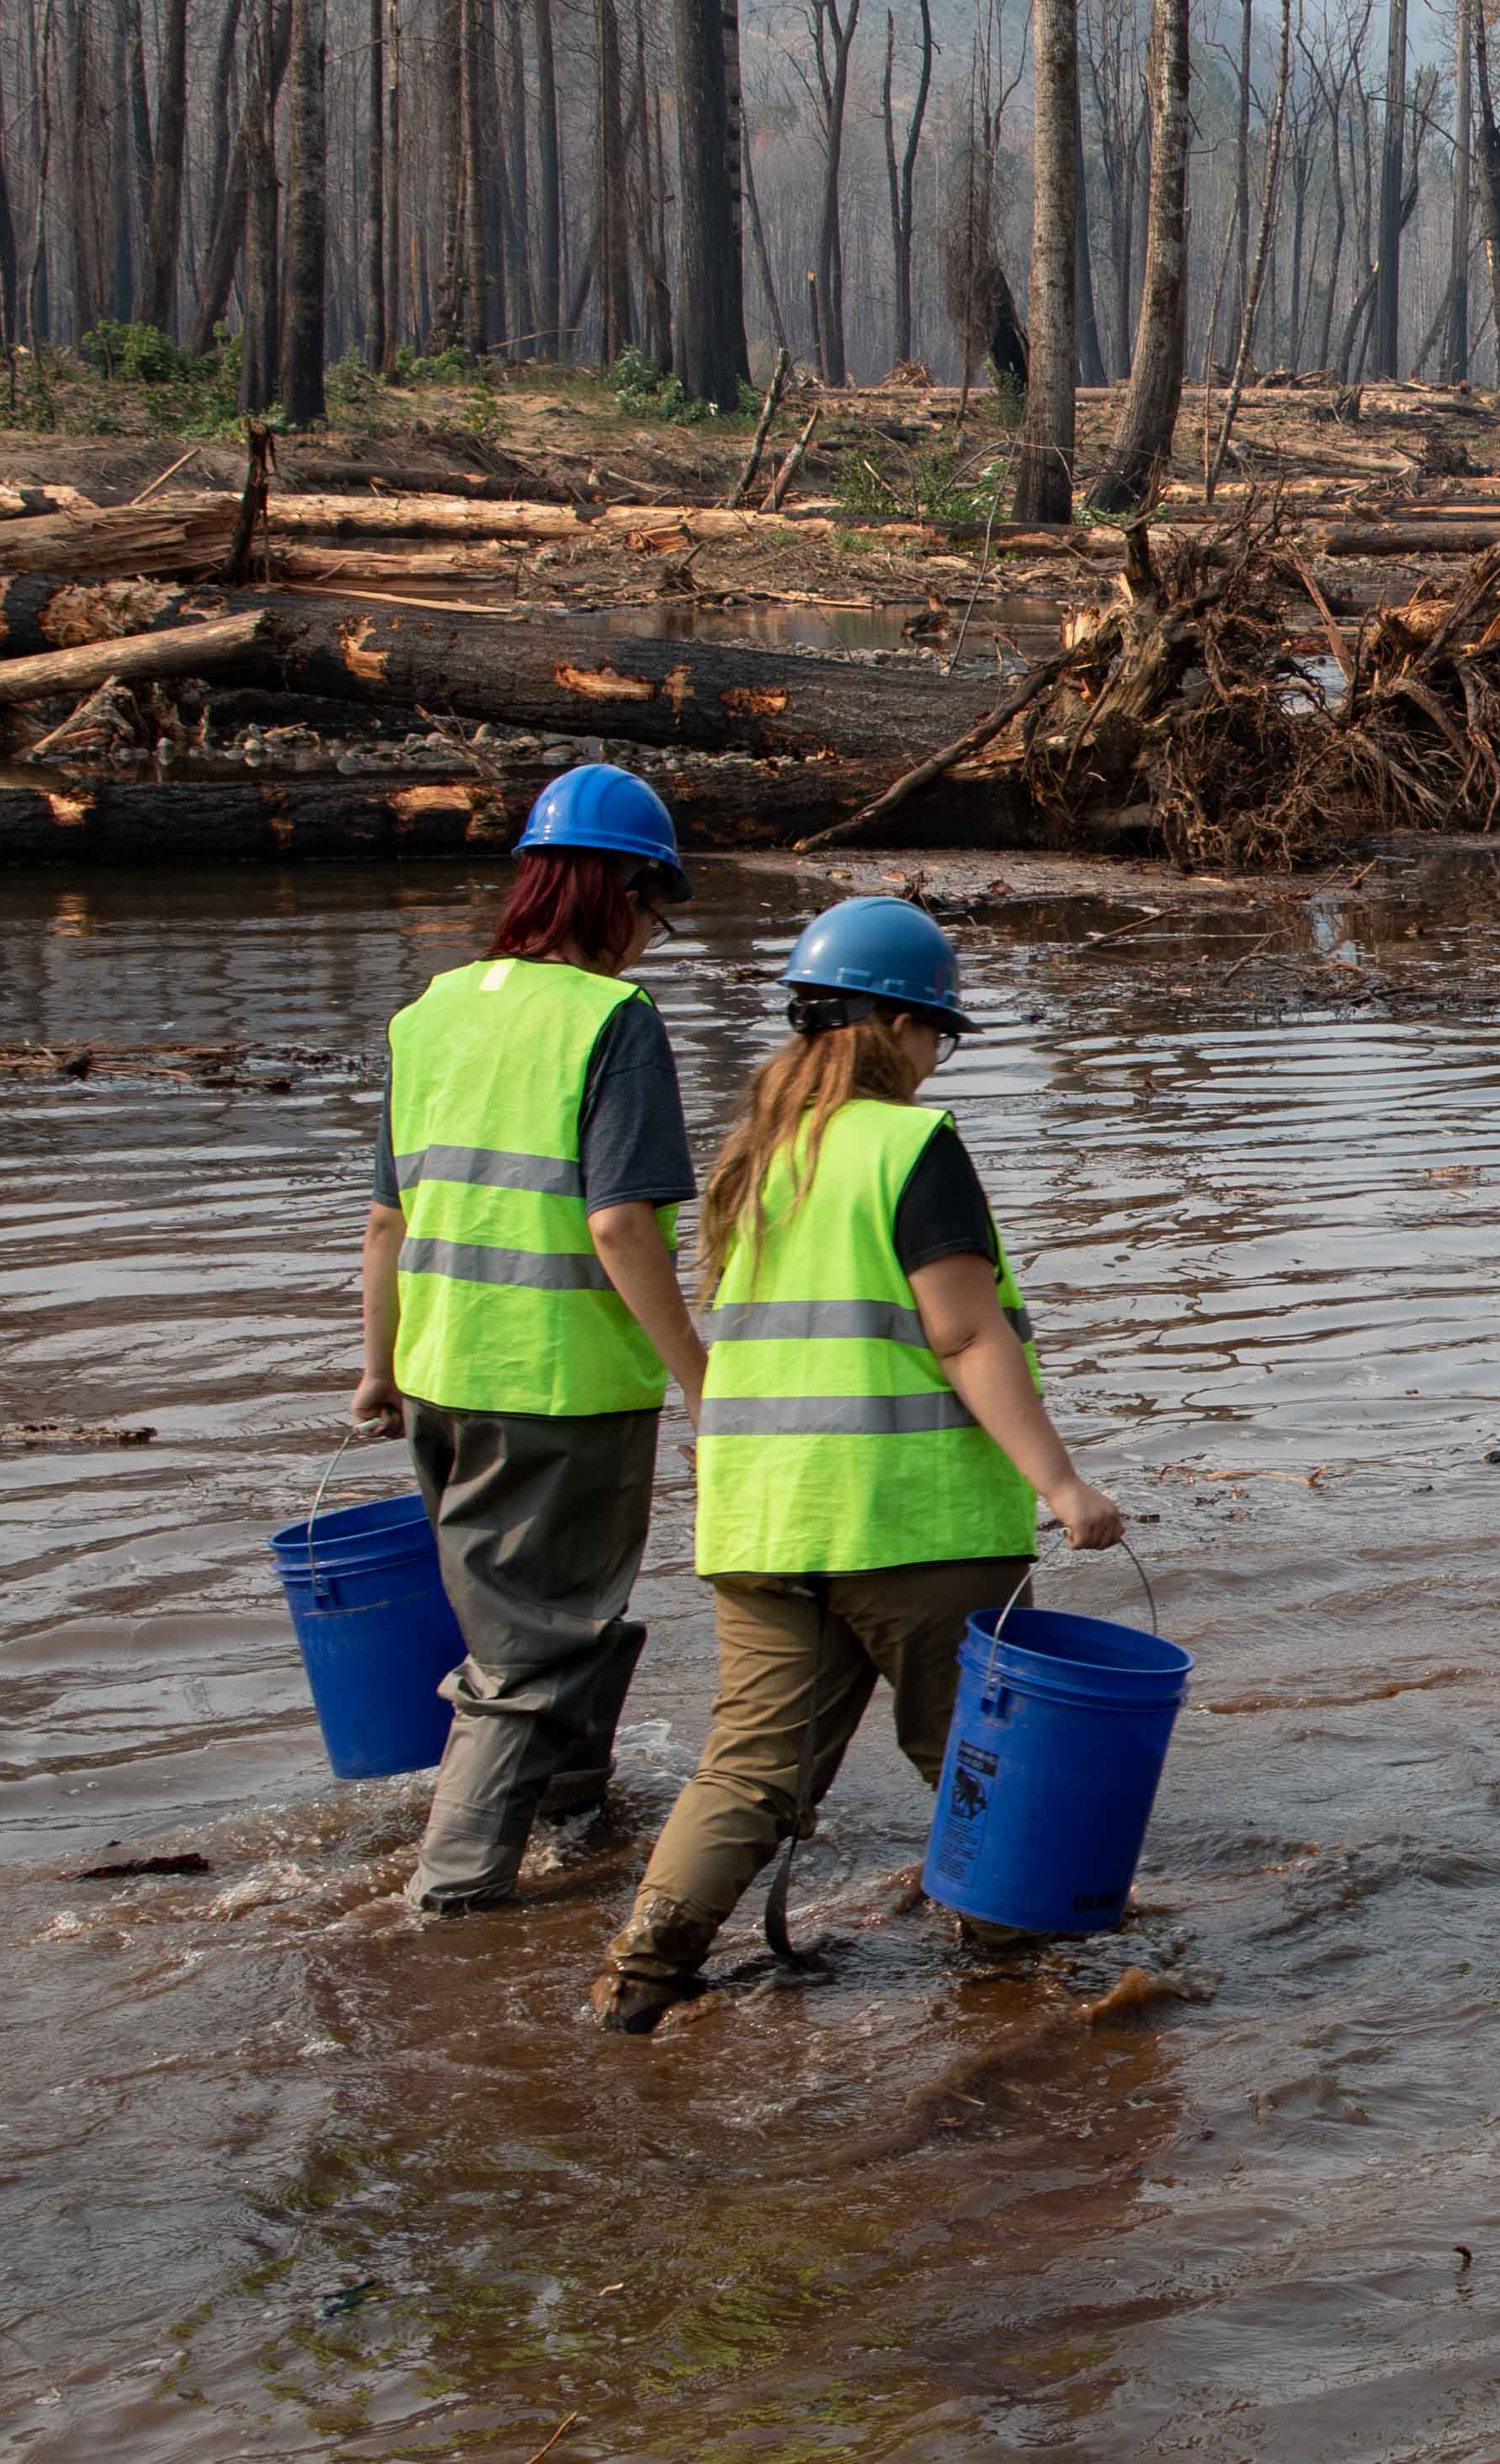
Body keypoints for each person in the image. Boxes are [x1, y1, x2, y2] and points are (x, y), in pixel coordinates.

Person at [595, 897, 1125, 2032]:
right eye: (936, 1031)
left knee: (746, 1770)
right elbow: (965, 1333)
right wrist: (1061, 1483)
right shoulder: (911, 1145)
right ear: (894, 1022)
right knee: (977, 1758)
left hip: (764, 1520)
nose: (936, 1060)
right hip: (914, 1520)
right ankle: (1021, 1982)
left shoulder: (754, 1156)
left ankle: (639, 1981)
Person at [356, 764, 709, 1914]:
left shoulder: (431, 1011)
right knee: (530, 1656)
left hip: (440, 1375)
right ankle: (451, 1903)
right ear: (620, 889)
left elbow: (386, 1216)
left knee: (553, 1622)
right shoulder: (614, 1020)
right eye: (654, 910)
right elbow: (618, 1221)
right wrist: (700, 1379)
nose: (652, 938)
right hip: (561, 1387)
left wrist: (377, 1366)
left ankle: (570, 1810)